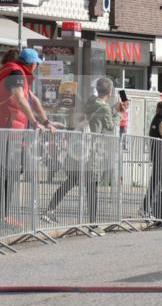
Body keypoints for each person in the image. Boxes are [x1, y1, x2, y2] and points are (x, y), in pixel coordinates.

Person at [42, 77, 128, 225]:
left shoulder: (91, 101)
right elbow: (110, 126)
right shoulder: (105, 107)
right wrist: (120, 113)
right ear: (110, 91)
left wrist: (114, 108)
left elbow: (101, 110)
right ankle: (92, 222)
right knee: (91, 185)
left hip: (79, 148)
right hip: (92, 151)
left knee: (72, 181)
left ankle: (50, 209)